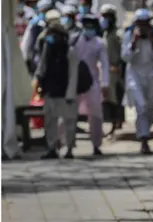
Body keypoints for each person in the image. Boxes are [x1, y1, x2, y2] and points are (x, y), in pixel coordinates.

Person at [122, 8, 153, 154]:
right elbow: (126, 57)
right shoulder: (129, 35)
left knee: (149, 108)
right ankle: (143, 139)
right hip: (135, 75)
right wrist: (134, 43)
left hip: (152, 75)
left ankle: (144, 132)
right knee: (140, 106)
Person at [33, 22, 79, 159]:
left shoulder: (69, 51)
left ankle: (69, 148)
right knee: (50, 122)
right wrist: (39, 82)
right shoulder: (48, 48)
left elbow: (73, 74)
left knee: (69, 122)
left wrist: (70, 94)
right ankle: (51, 148)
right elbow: (42, 66)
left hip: (65, 93)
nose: (52, 37)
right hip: (50, 91)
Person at [73, 14, 109, 156]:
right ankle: (64, 143)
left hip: (92, 82)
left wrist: (105, 83)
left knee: (95, 115)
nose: (89, 29)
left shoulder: (99, 43)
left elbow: (104, 64)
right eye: (86, 26)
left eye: (91, 27)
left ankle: (96, 144)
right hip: (74, 82)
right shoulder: (74, 40)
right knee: (68, 114)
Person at [99, 4, 124, 136]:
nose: (104, 20)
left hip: (115, 70)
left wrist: (118, 65)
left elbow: (122, 53)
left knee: (115, 98)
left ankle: (116, 123)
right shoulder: (105, 33)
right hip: (105, 70)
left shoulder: (118, 34)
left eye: (107, 17)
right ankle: (111, 123)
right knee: (107, 98)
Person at [21, 0, 54, 74]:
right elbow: (26, 46)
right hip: (37, 63)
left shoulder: (54, 24)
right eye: (45, 10)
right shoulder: (35, 25)